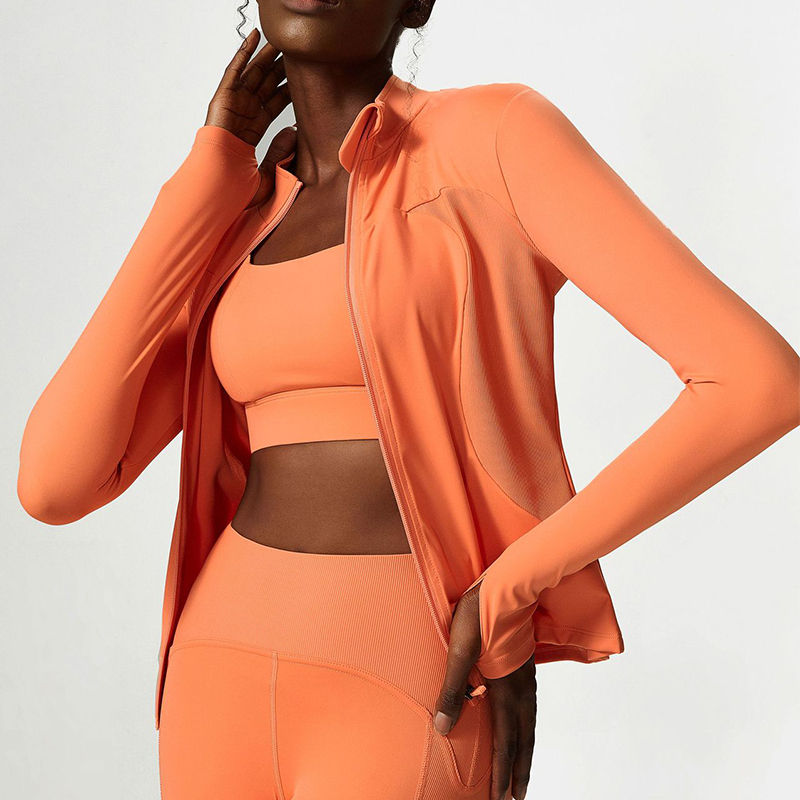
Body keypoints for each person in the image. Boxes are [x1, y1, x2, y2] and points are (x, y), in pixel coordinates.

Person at [17, 2, 800, 799]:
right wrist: (203, 181)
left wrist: (512, 587)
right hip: (214, 674)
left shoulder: (494, 138)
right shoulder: (236, 214)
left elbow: (756, 382)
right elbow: (54, 483)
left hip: (405, 678)